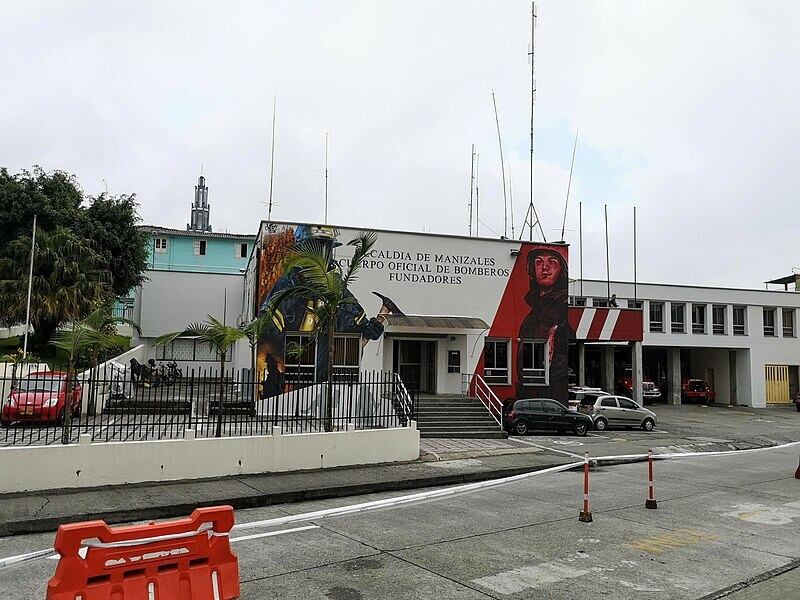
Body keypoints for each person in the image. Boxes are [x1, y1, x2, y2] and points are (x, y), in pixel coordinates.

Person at [516, 247, 569, 404]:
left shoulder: (562, 308)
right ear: (532, 269)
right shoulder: (535, 310)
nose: (544, 267)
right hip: (530, 392)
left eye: (551, 262)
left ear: (562, 269)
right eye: (539, 262)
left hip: (550, 394)